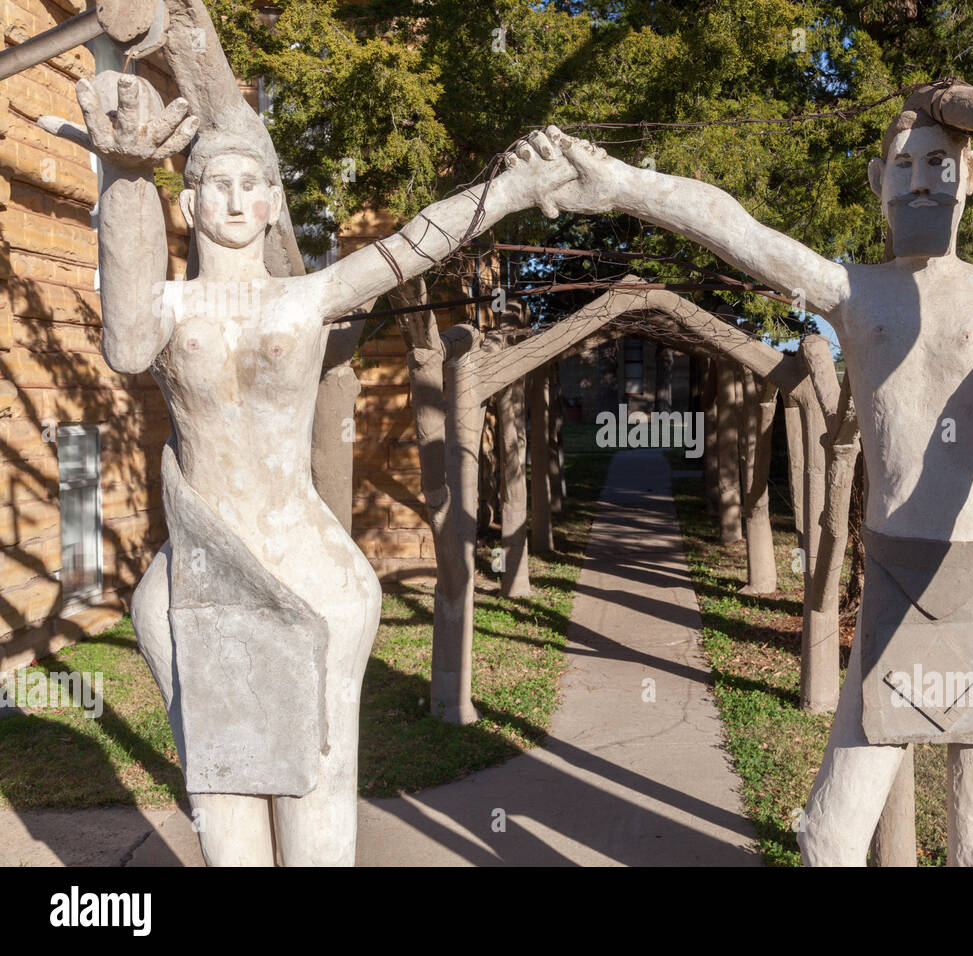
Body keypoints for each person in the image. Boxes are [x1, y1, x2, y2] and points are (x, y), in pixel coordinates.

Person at [541, 110, 973, 865]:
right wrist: (617, 182)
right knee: (829, 833)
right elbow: (737, 230)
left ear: (968, 178)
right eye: (903, 167)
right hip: (895, 583)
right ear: (878, 184)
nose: (920, 181)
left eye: (939, 164)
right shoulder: (852, 291)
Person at [41, 71, 575, 866]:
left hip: (311, 578)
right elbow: (123, 342)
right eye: (215, 185)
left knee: (315, 796)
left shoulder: (307, 298)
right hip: (197, 584)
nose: (232, 200)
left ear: (271, 206)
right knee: (221, 806)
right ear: (188, 204)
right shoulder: (168, 309)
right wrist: (123, 177)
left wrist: (513, 188)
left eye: (252, 185)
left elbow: (414, 242)